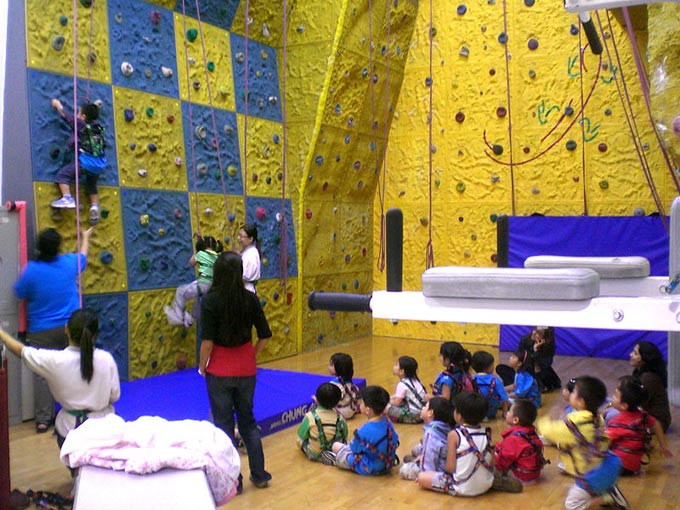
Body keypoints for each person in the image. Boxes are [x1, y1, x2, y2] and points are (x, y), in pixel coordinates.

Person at [199, 251, 273, 492]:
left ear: (217, 273)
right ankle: (260, 474)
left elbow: (207, 342)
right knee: (248, 421)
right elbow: (265, 335)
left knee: (223, 425)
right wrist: (252, 354)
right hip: (245, 367)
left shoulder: (209, 301)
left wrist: (202, 366)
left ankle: (234, 481)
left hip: (219, 369)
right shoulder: (249, 299)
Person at [0, 308, 120, 449]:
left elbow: (23, 352)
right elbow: (114, 396)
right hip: (105, 430)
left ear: (66, 329)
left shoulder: (55, 361)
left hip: (70, 432)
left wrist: (2, 333)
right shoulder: (107, 359)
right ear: (95, 335)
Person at [13, 227, 93, 433]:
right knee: (76, 366)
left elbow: (19, 292)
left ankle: (43, 419)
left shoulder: (31, 270)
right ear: (58, 247)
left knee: (42, 374)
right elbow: (83, 255)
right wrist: (85, 237)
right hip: (69, 327)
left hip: (41, 330)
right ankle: (79, 410)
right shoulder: (68, 262)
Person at [537, 376, 629, 510]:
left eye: (573, 392)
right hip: (604, 463)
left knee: (571, 505)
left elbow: (550, 432)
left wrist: (544, 420)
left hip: (591, 472)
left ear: (581, 402)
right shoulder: (596, 417)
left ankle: (608, 497)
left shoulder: (577, 424)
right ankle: (607, 489)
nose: (570, 393)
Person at [416, 391, 494, 497]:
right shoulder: (487, 432)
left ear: (459, 415)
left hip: (461, 487)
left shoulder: (454, 435)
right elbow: (491, 460)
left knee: (422, 477)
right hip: (487, 483)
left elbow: (450, 468)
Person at [50, 98, 107, 226]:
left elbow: (68, 118)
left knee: (63, 175)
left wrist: (58, 105)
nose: (76, 115)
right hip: (100, 164)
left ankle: (67, 198)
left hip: (86, 163)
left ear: (83, 116)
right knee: (92, 185)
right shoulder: (98, 129)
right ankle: (94, 206)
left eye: (78, 113)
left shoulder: (82, 125)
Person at [606, 375, 672, 475]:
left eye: (615, 396)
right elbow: (656, 423)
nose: (613, 397)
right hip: (635, 465)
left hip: (620, 465)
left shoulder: (617, 422)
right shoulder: (643, 415)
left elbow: (605, 440)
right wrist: (663, 446)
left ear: (624, 406)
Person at [330, 385, 399, 475]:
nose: (360, 404)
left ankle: (332, 458)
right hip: (387, 464)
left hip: (369, 467)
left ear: (368, 410)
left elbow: (354, 449)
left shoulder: (363, 431)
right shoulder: (388, 422)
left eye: (361, 403)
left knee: (336, 446)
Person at [164, 235, 223, 328]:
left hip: (204, 283)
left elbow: (191, 263)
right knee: (199, 303)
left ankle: (178, 316)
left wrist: (197, 251)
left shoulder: (200, 254)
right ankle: (190, 321)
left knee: (181, 291)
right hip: (213, 286)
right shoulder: (219, 256)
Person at [493, 399, 547, 492]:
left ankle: (503, 483)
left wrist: (493, 459)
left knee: (490, 469)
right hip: (533, 473)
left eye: (509, 411)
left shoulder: (513, 438)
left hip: (521, 476)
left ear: (515, 420)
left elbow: (503, 461)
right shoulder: (530, 430)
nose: (507, 412)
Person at [399, 397, 453, 480]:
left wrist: (421, 469)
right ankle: (418, 458)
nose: (423, 408)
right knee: (416, 449)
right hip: (443, 457)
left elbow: (428, 466)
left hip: (438, 471)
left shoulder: (430, 433)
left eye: (425, 406)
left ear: (430, 413)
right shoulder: (445, 425)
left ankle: (416, 461)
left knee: (404, 469)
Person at [297, 382, 348, 463]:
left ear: (317, 399)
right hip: (334, 451)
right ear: (337, 402)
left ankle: (320, 453)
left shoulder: (310, 417)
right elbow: (345, 435)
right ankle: (330, 454)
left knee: (302, 439)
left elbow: (301, 436)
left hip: (314, 454)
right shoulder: (340, 418)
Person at [630, 341, 671, 432]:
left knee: (612, 415)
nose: (631, 355)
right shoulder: (639, 372)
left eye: (635, 353)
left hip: (657, 423)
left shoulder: (649, 378)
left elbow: (635, 403)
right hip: (643, 414)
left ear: (644, 359)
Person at [519, 326, 562, 392]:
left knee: (538, 369)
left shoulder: (549, 345)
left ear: (545, 338)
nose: (534, 333)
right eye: (535, 330)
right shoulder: (524, 340)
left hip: (541, 370)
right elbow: (520, 358)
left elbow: (546, 364)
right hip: (527, 368)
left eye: (539, 333)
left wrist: (536, 351)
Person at [387, 355, 427, 423]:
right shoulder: (415, 380)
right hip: (422, 413)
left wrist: (386, 401)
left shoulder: (402, 384)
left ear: (402, 371)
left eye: (396, 365)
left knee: (385, 408)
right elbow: (398, 396)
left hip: (413, 416)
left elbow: (396, 403)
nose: (394, 366)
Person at [471, 351, 509, 420]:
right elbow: (505, 399)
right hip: (490, 412)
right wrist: (505, 412)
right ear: (488, 367)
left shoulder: (471, 378)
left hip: (474, 411)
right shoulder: (495, 380)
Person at [329, 352, 361, 420]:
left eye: (331, 365)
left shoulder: (334, 384)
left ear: (339, 368)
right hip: (352, 409)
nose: (329, 367)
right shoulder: (349, 381)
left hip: (341, 413)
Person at [236, 224, 260, 294]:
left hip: (246, 290)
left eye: (241, 236)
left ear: (250, 239)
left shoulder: (251, 254)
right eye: (238, 235)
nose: (238, 238)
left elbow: (244, 275)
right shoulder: (247, 252)